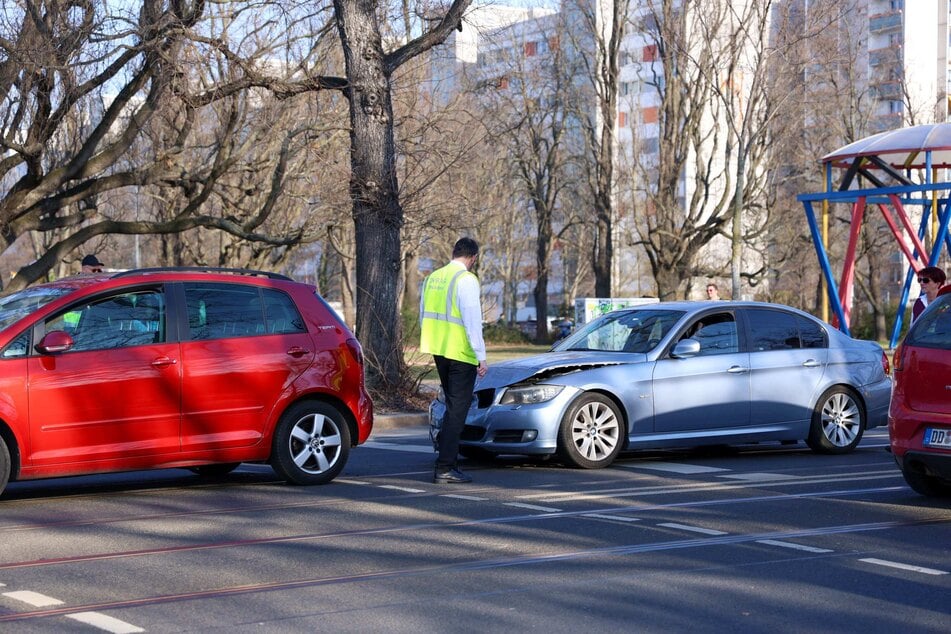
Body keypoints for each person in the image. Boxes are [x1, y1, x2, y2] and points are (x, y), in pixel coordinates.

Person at [420, 237, 487, 484]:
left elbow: (422, 314)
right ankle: (446, 466)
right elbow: (472, 321)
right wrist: (481, 356)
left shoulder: (433, 277)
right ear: (473, 258)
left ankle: (447, 460)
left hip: (439, 349)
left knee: (451, 407)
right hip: (460, 352)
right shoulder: (466, 280)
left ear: (454, 252)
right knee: (457, 411)